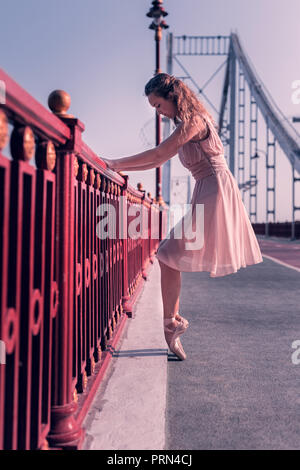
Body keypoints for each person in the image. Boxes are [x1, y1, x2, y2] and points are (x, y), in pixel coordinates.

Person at [101, 73, 263, 361]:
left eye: (158, 105)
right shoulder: (187, 123)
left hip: (214, 189)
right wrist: (118, 166)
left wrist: (113, 163)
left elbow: (158, 154)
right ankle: (172, 324)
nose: (158, 112)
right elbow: (158, 159)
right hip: (208, 188)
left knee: (167, 254)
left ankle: (171, 325)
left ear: (172, 98)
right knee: (168, 255)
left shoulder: (194, 122)